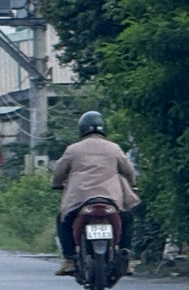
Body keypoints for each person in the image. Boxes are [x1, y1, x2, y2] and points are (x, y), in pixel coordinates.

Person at [49, 111, 139, 275]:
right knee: (127, 218)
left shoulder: (73, 149)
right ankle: (126, 258)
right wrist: (132, 183)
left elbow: (59, 173)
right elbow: (128, 171)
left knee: (63, 221)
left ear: (82, 129)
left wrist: (56, 184)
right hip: (111, 199)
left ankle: (69, 260)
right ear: (103, 128)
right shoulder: (114, 148)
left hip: (80, 200)